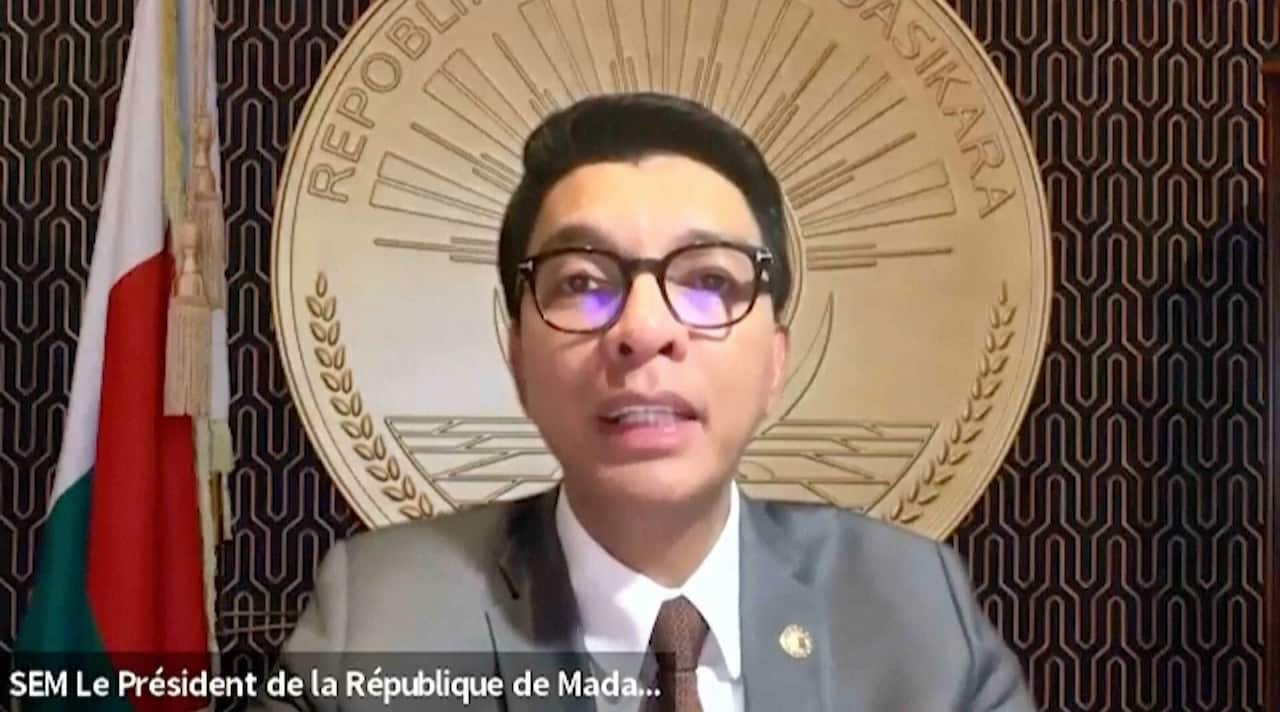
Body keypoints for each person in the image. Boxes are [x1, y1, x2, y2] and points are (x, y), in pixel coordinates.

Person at [251, 92, 1035, 712]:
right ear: (518, 359)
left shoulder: (913, 611)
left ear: (776, 362)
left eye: (709, 282)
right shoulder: (381, 622)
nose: (644, 330)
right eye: (585, 284)